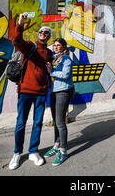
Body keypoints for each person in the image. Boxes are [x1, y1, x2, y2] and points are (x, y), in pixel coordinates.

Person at [8, 13, 53, 170]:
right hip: (26, 90)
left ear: (48, 37)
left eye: (46, 33)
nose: (43, 34)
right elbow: (16, 41)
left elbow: (50, 71)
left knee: (38, 123)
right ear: (38, 34)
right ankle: (17, 153)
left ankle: (33, 151)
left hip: (41, 92)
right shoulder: (29, 47)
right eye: (41, 32)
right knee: (21, 123)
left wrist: (50, 70)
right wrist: (20, 24)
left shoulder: (49, 53)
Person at [44, 38, 74, 166]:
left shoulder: (66, 58)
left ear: (63, 47)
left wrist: (52, 72)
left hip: (63, 91)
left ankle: (63, 151)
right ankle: (56, 145)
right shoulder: (54, 59)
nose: (56, 47)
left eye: (58, 45)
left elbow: (66, 74)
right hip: (54, 91)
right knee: (56, 121)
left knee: (60, 122)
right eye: (54, 45)